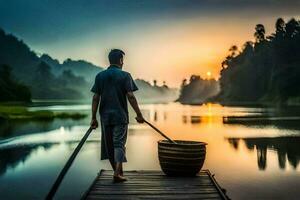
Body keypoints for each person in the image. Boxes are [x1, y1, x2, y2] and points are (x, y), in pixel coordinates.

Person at [90, 49, 144, 183]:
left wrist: (93, 118)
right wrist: (139, 114)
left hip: (105, 117)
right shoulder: (125, 75)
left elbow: (95, 98)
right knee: (119, 144)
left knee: (109, 146)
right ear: (120, 60)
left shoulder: (100, 76)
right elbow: (130, 96)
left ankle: (118, 173)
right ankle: (117, 173)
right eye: (122, 60)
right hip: (120, 116)